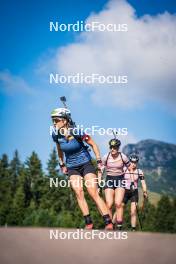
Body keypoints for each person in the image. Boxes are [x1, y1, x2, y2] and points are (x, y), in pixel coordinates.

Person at [50, 107, 113, 230]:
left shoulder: (77, 131)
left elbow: (93, 144)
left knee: (93, 192)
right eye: (52, 120)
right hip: (72, 166)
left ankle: (108, 222)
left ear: (65, 120)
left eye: (56, 120)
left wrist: (99, 161)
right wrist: (61, 164)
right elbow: (59, 149)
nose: (54, 123)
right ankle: (89, 223)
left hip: (86, 164)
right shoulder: (55, 134)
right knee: (78, 192)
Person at [102, 138, 131, 230]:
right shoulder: (106, 157)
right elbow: (100, 170)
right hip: (109, 179)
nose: (112, 149)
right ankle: (109, 224)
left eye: (114, 147)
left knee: (118, 204)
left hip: (120, 179)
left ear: (118, 148)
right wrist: (99, 182)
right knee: (109, 204)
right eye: (111, 147)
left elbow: (130, 168)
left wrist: (129, 181)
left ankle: (119, 225)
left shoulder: (123, 157)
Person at [122, 153, 148, 231]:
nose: (133, 164)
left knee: (133, 211)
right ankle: (112, 225)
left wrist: (145, 192)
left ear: (137, 163)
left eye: (135, 162)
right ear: (129, 161)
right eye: (132, 162)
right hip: (124, 191)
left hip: (134, 192)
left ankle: (133, 228)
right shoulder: (124, 169)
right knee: (120, 208)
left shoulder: (139, 171)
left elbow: (143, 182)